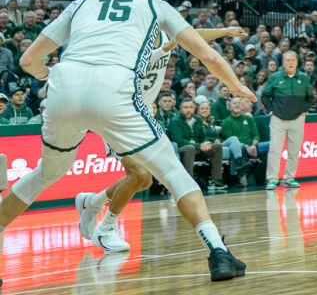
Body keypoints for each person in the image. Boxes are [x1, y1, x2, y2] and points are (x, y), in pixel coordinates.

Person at [0, 0, 253, 281]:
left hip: (64, 87)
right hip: (115, 92)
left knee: (44, 174)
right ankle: (217, 252)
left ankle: (100, 215)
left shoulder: (79, 2)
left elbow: (28, 60)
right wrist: (236, 86)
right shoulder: (154, 4)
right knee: (173, 174)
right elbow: (210, 57)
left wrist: (53, 80)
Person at [74, 19, 244, 253]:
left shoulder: (165, 35)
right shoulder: (128, 39)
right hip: (116, 111)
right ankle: (105, 228)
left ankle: (92, 202)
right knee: (140, 174)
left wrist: (225, 30)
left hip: (140, 115)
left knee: (142, 180)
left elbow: (194, 34)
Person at [261, 50, 315, 190]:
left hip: (297, 119)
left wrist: (304, 111)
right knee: (275, 149)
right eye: (287, 60)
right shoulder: (274, 77)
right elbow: (265, 96)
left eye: (293, 60)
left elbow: (310, 97)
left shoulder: (303, 78)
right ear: (283, 62)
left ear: (297, 62)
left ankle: (289, 178)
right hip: (278, 119)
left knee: (294, 150)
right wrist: (271, 111)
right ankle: (272, 179)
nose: (290, 63)